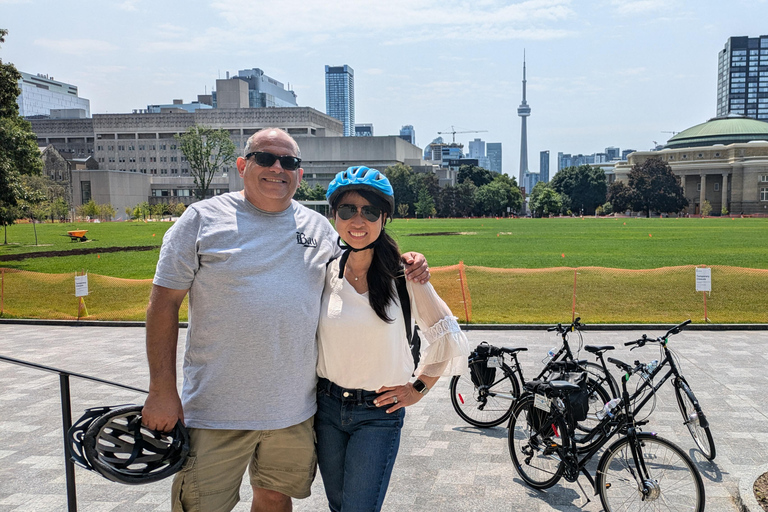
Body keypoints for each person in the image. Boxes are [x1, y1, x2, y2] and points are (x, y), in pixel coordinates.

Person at [141, 128, 430, 512]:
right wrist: (161, 389)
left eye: (289, 162)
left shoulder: (319, 229)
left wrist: (411, 260)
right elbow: (163, 304)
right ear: (243, 165)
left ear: (300, 173)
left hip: (293, 412)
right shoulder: (202, 219)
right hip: (215, 409)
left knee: (275, 502)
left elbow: (363, 254)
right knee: (200, 505)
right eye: (265, 158)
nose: (278, 168)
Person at [315, 166, 470, 512]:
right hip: (327, 410)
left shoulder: (405, 275)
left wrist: (417, 390)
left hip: (377, 413)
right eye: (347, 210)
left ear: (383, 218)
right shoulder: (325, 272)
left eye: (369, 211)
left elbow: (446, 335)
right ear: (334, 216)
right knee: (338, 505)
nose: (358, 220)